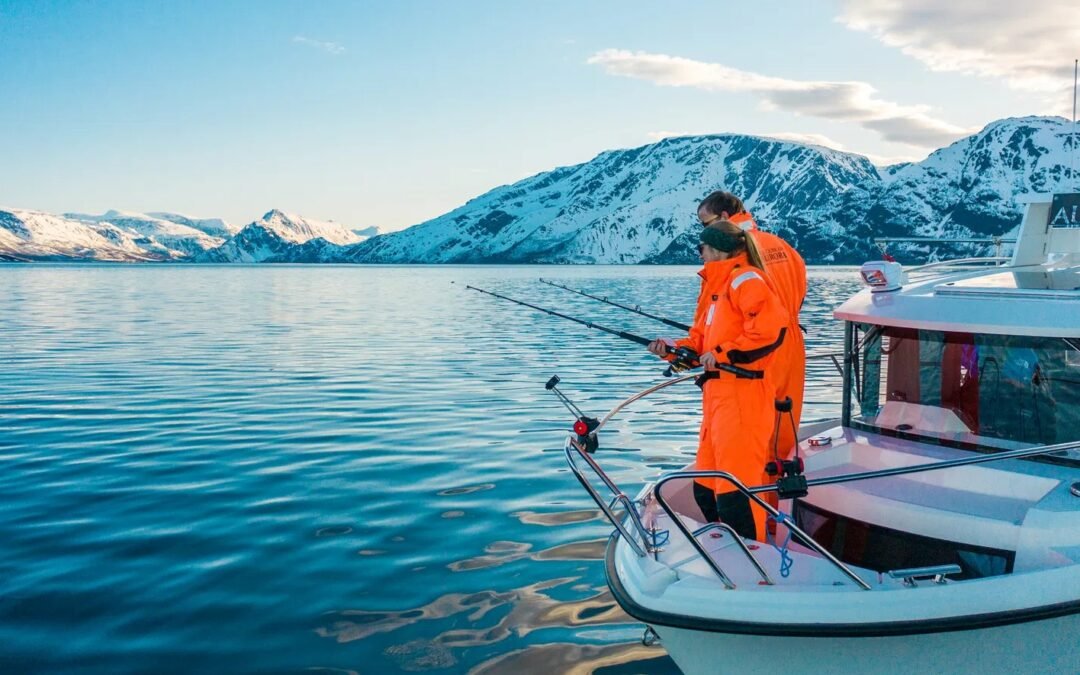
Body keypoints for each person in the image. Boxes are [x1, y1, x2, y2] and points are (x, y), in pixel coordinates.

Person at [648, 220, 789, 539]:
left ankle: (755, 561)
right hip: (717, 397)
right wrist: (671, 351)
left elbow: (770, 331)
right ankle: (725, 551)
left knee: (736, 492)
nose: (699, 255)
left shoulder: (746, 279)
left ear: (716, 249)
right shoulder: (715, 288)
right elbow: (699, 340)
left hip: (744, 398)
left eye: (701, 249)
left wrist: (723, 353)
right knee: (705, 489)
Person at [696, 191, 807, 465]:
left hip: (750, 351)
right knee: (782, 434)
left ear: (723, 217)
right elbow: (800, 293)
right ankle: (778, 502)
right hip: (790, 345)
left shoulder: (730, 255)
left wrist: (710, 347)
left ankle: (755, 503)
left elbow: (708, 314)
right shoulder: (783, 246)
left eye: (704, 224)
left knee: (748, 441)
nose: (703, 236)